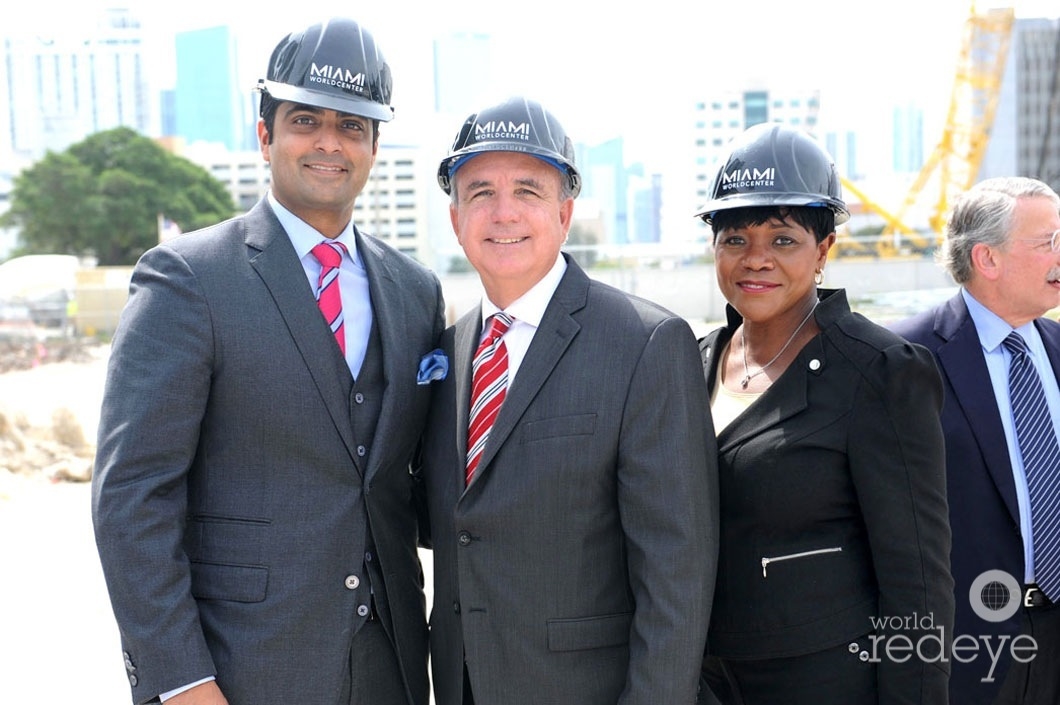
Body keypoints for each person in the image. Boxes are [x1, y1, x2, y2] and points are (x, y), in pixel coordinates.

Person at [91, 18, 444, 705]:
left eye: (351, 126)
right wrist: (181, 680)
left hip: (391, 669)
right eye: (305, 120)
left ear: (374, 145)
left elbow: (410, 481)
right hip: (241, 670)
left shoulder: (416, 291)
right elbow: (132, 498)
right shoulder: (186, 279)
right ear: (264, 135)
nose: (327, 143)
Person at [416, 96, 719, 705]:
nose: (503, 213)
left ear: (565, 211)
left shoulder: (645, 343)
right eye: (479, 193)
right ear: (454, 219)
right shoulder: (447, 351)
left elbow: (676, 571)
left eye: (528, 190)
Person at [694, 122, 954, 704]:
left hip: (829, 681)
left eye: (783, 240)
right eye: (735, 238)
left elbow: (919, 580)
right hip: (704, 682)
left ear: (825, 250)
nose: (755, 259)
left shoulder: (880, 371)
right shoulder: (693, 362)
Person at [891, 176, 1060, 704]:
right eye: (1049, 241)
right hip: (968, 646)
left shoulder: (1057, 348)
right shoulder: (904, 358)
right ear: (987, 259)